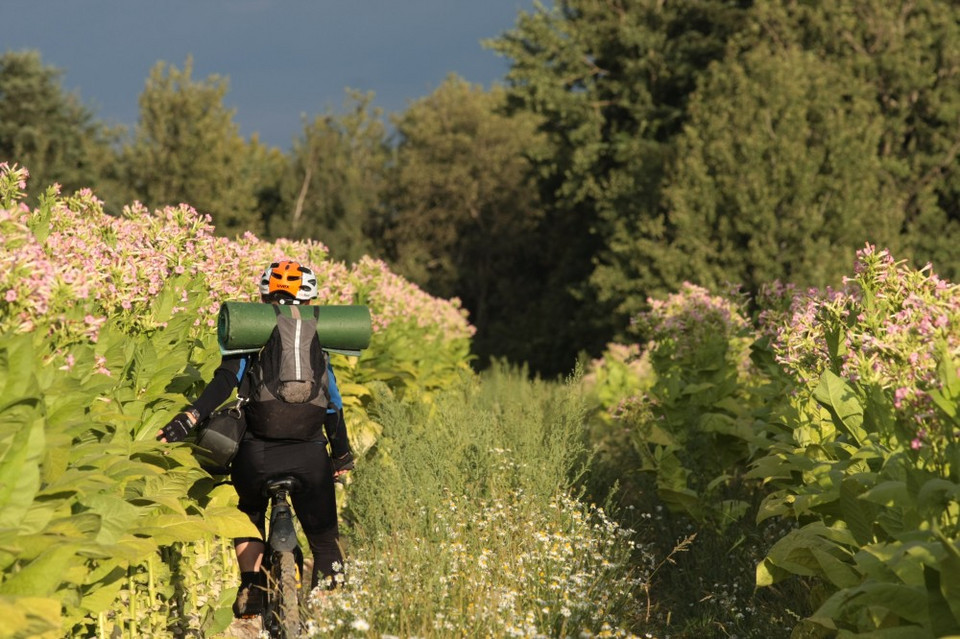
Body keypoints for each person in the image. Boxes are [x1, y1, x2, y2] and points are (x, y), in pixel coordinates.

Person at [156, 260, 354, 618]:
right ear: (309, 305)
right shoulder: (318, 348)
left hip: (256, 457)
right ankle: (332, 614)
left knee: (247, 512)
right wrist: (341, 457)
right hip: (310, 459)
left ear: (263, 300)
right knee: (325, 539)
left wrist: (188, 418)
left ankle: (251, 586)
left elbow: (222, 382)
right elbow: (332, 408)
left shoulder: (249, 339)